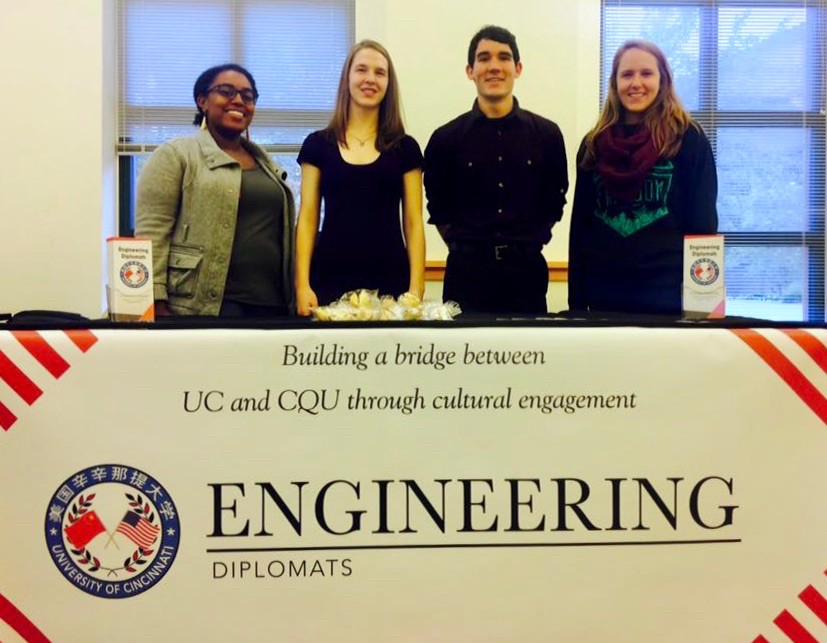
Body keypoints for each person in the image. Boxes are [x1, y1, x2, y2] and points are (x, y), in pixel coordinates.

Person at [424, 25, 568, 315]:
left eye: (503, 57)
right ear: (470, 70)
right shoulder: (445, 139)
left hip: (526, 276)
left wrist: (524, 242)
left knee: (531, 358)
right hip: (466, 277)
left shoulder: (547, 135)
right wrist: (470, 248)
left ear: (517, 68)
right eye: (484, 58)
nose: (494, 67)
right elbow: (439, 209)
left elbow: (554, 202)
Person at [568, 40, 718, 316]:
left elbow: (703, 225)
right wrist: (576, 306)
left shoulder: (688, 139)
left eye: (646, 73)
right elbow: (581, 230)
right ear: (614, 83)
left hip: (668, 298)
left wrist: (703, 307)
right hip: (603, 298)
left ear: (663, 80)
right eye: (627, 75)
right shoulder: (593, 145)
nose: (636, 83)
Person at [136, 64, 295, 317]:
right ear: (203, 101)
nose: (239, 101)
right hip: (206, 306)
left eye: (247, 95)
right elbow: (152, 233)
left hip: (272, 305)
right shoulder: (176, 154)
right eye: (226, 91)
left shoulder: (266, 164)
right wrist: (155, 300)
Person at [294, 40, 425, 316]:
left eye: (380, 72)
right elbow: (307, 218)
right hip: (328, 281)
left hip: (392, 283)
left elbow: (413, 222)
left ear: (389, 83)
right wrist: (302, 284)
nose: (370, 79)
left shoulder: (406, 148)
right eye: (361, 70)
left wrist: (417, 286)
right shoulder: (318, 145)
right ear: (347, 78)